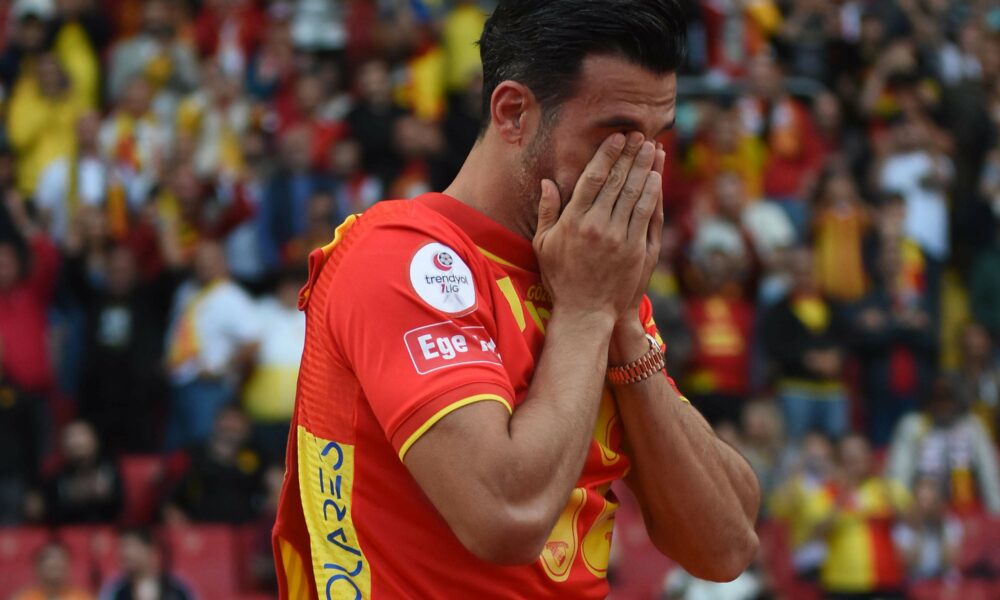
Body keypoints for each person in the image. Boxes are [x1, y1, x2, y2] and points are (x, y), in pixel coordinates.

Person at [272, 2, 760, 598]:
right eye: (617, 136)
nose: (642, 172)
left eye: (658, 140)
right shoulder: (399, 254)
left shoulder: (590, 275)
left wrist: (625, 327)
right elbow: (506, 516)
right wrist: (588, 314)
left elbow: (726, 545)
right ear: (512, 113)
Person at [163, 241, 260, 450]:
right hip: (178, 382)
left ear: (223, 263)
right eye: (200, 261)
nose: (204, 266)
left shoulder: (232, 296)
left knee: (202, 446)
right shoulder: (186, 291)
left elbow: (253, 342)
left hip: (209, 387)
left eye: (210, 261)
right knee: (175, 451)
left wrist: (222, 368)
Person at [761, 246, 850, 442]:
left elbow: (848, 340)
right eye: (799, 271)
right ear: (791, 274)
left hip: (832, 391)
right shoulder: (778, 310)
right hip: (796, 390)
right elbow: (774, 346)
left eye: (809, 270)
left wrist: (837, 357)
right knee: (794, 446)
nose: (805, 277)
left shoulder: (834, 306)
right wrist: (807, 360)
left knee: (837, 446)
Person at [886, 375, 1000, 515]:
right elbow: (899, 476)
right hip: (921, 511)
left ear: (958, 400)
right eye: (938, 399)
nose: (943, 405)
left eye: (948, 398)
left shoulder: (973, 427)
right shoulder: (912, 426)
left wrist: (996, 513)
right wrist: (902, 510)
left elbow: (989, 476)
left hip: (967, 509)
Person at [164, 406, 263, 525]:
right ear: (216, 423)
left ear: (247, 430)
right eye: (228, 421)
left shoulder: (257, 458)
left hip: (245, 529)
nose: (231, 427)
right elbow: (169, 503)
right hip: (199, 529)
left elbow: (274, 487)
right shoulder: (191, 456)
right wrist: (186, 531)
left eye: (237, 424)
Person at [42, 420, 123, 525]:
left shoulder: (109, 470)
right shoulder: (56, 478)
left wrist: (104, 495)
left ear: (94, 441)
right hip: (69, 529)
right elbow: (52, 513)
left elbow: (119, 507)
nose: (75, 442)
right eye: (70, 438)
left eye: (80, 437)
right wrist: (74, 496)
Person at [892, 478, 962, 584]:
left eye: (931, 501)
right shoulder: (903, 527)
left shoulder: (949, 523)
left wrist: (940, 529)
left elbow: (948, 561)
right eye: (922, 500)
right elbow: (909, 563)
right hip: (916, 580)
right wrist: (919, 531)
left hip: (942, 579)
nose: (926, 507)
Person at [98, 528, 194, 600]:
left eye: (130, 546)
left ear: (150, 550)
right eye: (121, 547)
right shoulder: (115, 589)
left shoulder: (177, 588)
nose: (124, 553)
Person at [11, 540, 94, 600]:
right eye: (50, 562)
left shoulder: (82, 597)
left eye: (60, 560)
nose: (55, 564)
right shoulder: (23, 597)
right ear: (37, 568)